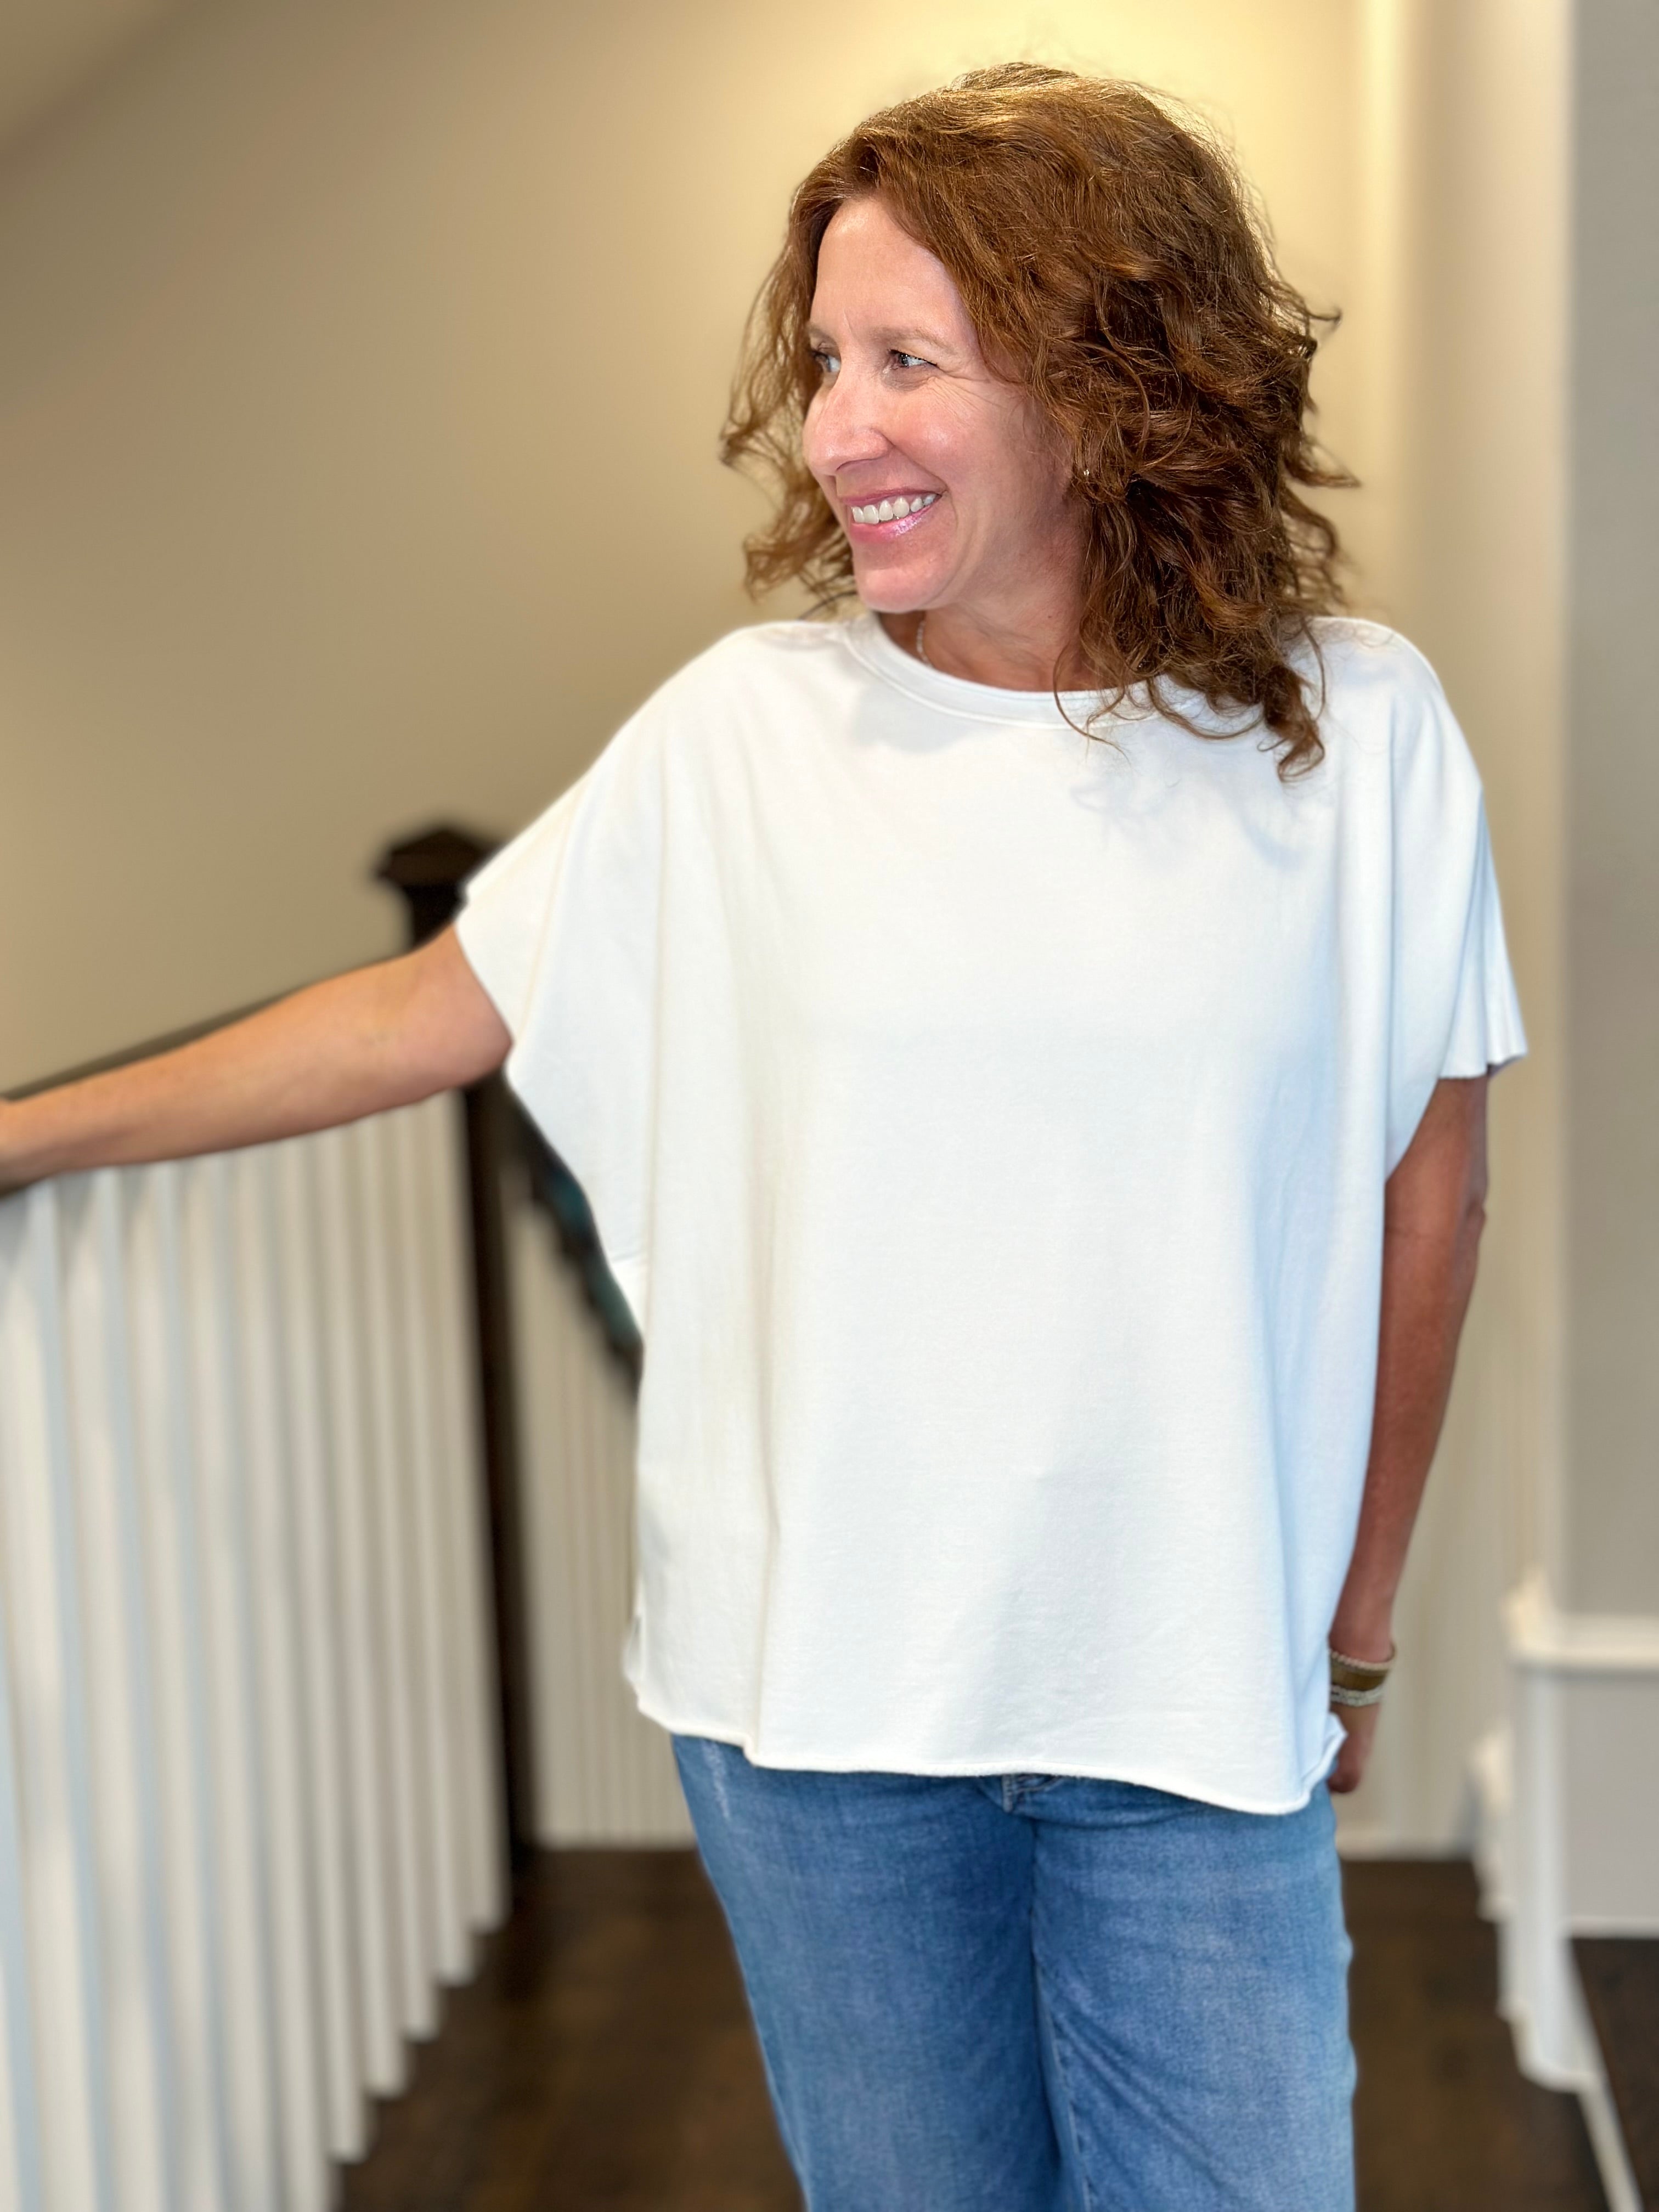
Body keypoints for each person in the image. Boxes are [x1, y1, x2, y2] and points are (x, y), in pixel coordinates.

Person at [1, 64, 1525, 2212]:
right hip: (821, 1720)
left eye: (908, 362)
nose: (833, 430)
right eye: (824, 361)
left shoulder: (1363, 734)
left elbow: (1430, 1200)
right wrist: (27, 1129)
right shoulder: (750, 737)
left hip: (1193, 1700)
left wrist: (1358, 1621)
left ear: (1113, 388)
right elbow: (426, 1014)